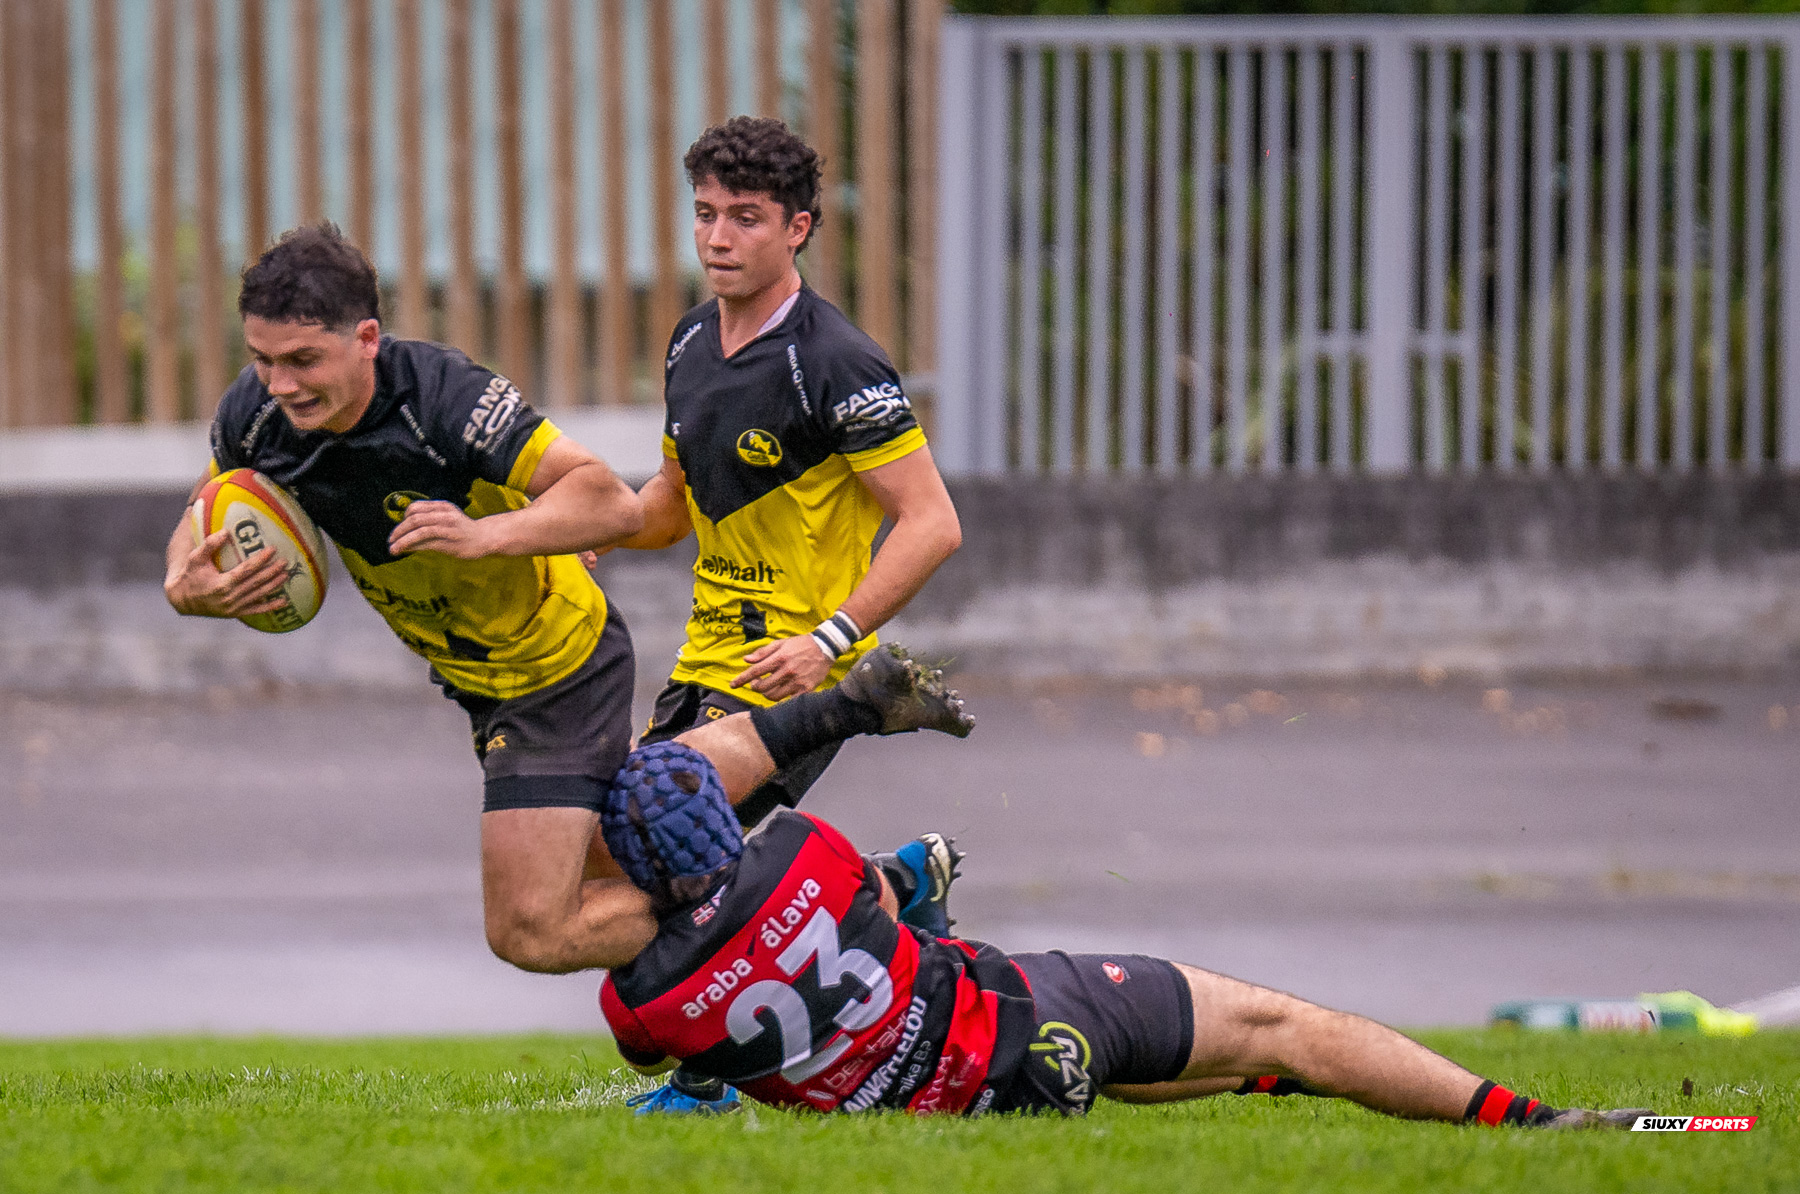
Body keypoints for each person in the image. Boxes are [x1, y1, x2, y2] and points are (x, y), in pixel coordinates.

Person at [596, 710, 1656, 1128]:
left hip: (903, 1104)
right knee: (1281, 1025)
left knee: (1245, 1065)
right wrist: (904, 883)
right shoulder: (797, 847)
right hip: (1006, 1007)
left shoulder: (637, 998)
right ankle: (1535, 1122)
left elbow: (677, 1039)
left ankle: (1042, 1078)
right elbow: (862, 897)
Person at [162, 223, 657, 977]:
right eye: (262, 360)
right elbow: (203, 511)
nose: (281, 384)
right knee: (610, 883)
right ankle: (754, 923)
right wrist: (185, 585)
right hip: (473, 675)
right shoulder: (258, 417)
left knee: (533, 926)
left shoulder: (443, 398)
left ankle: (775, 903)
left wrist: (488, 534)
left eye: (302, 360)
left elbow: (610, 501)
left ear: (366, 337)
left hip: (557, 668)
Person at [610, 116, 963, 829]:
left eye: (746, 219)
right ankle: (894, 888)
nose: (717, 238)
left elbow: (933, 523)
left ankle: (880, 900)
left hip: (794, 669)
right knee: (655, 878)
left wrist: (828, 641)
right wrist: (579, 525)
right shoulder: (689, 342)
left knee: (649, 846)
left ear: (797, 228)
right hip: (706, 656)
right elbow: (672, 503)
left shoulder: (835, 360)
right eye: (706, 214)